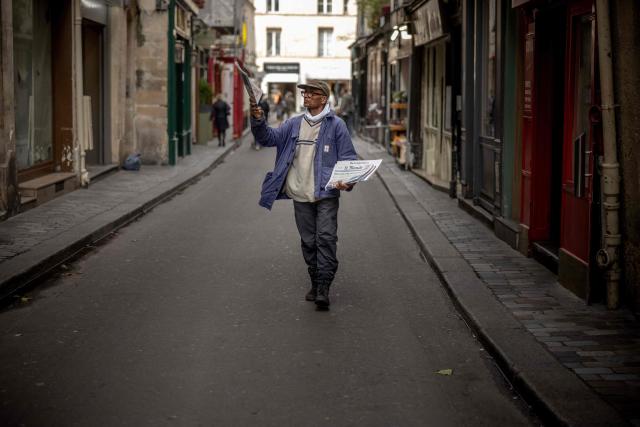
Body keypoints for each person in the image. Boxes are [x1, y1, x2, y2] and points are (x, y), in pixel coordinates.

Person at [250, 80, 357, 309]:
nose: (306, 96)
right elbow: (267, 138)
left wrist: (348, 182)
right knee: (309, 241)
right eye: (305, 93)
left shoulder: (337, 125)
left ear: (324, 99)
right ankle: (315, 280)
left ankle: (323, 288)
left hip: (326, 193)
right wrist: (259, 120)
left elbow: (349, 158)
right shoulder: (293, 124)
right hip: (299, 192)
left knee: (326, 238)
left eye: (312, 93)